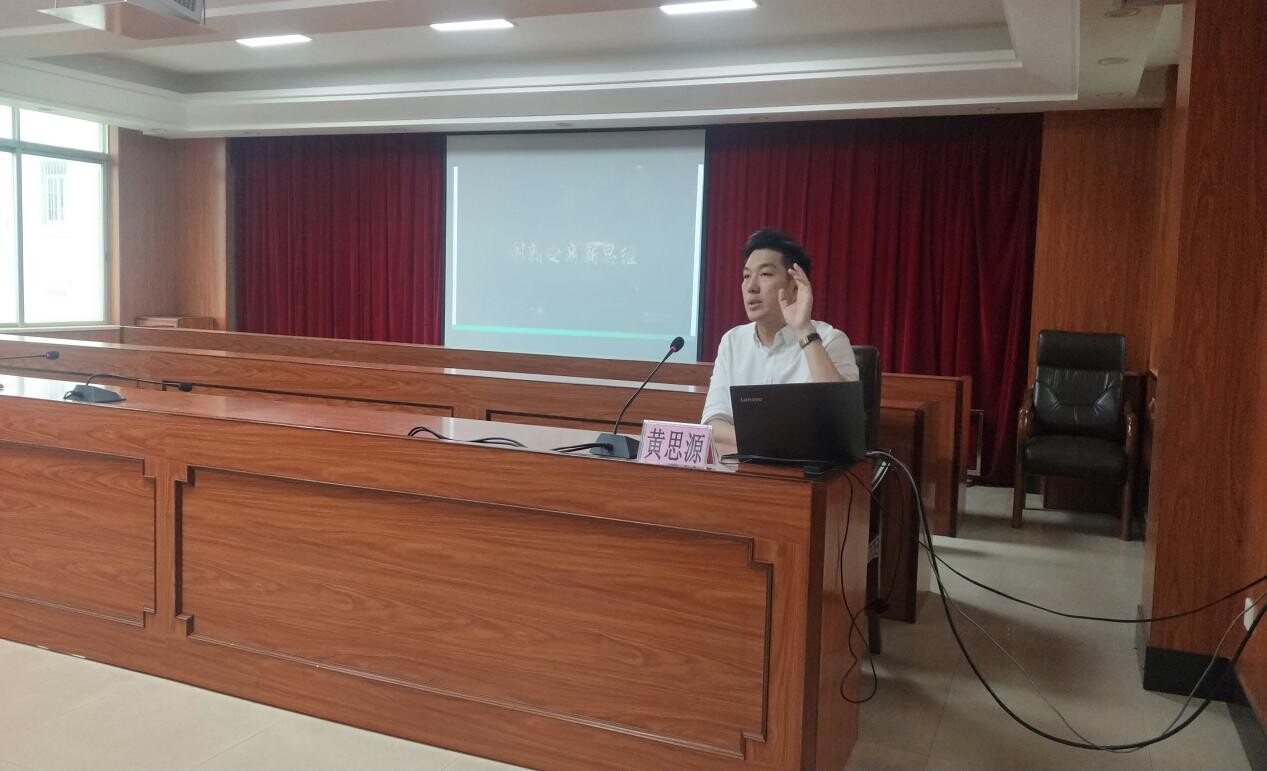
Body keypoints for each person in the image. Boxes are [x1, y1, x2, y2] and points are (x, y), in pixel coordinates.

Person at [702, 228, 859, 454]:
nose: (751, 287)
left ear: (795, 286)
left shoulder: (830, 340)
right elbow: (713, 423)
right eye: (746, 276)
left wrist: (803, 329)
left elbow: (842, 424)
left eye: (765, 274)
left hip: (807, 470)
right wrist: (768, 442)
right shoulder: (732, 342)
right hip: (745, 467)